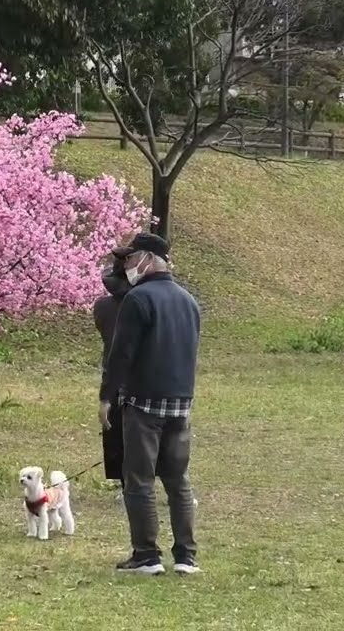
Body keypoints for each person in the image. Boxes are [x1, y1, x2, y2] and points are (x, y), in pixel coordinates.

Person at [99, 232, 201, 576]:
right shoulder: (189, 301)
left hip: (144, 402)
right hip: (180, 402)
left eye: (130, 258)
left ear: (147, 258)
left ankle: (146, 555)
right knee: (178, 480)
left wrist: (107, 398)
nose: (126, 265)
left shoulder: (138, 299)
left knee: (139, 480)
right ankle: (186, 556)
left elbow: (121, 355)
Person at [93, 263, 131, 496]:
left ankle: (124, 479)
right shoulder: (139, 305)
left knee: (115, 427)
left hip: (113, 370)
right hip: (142, 372)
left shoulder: (102, 307)